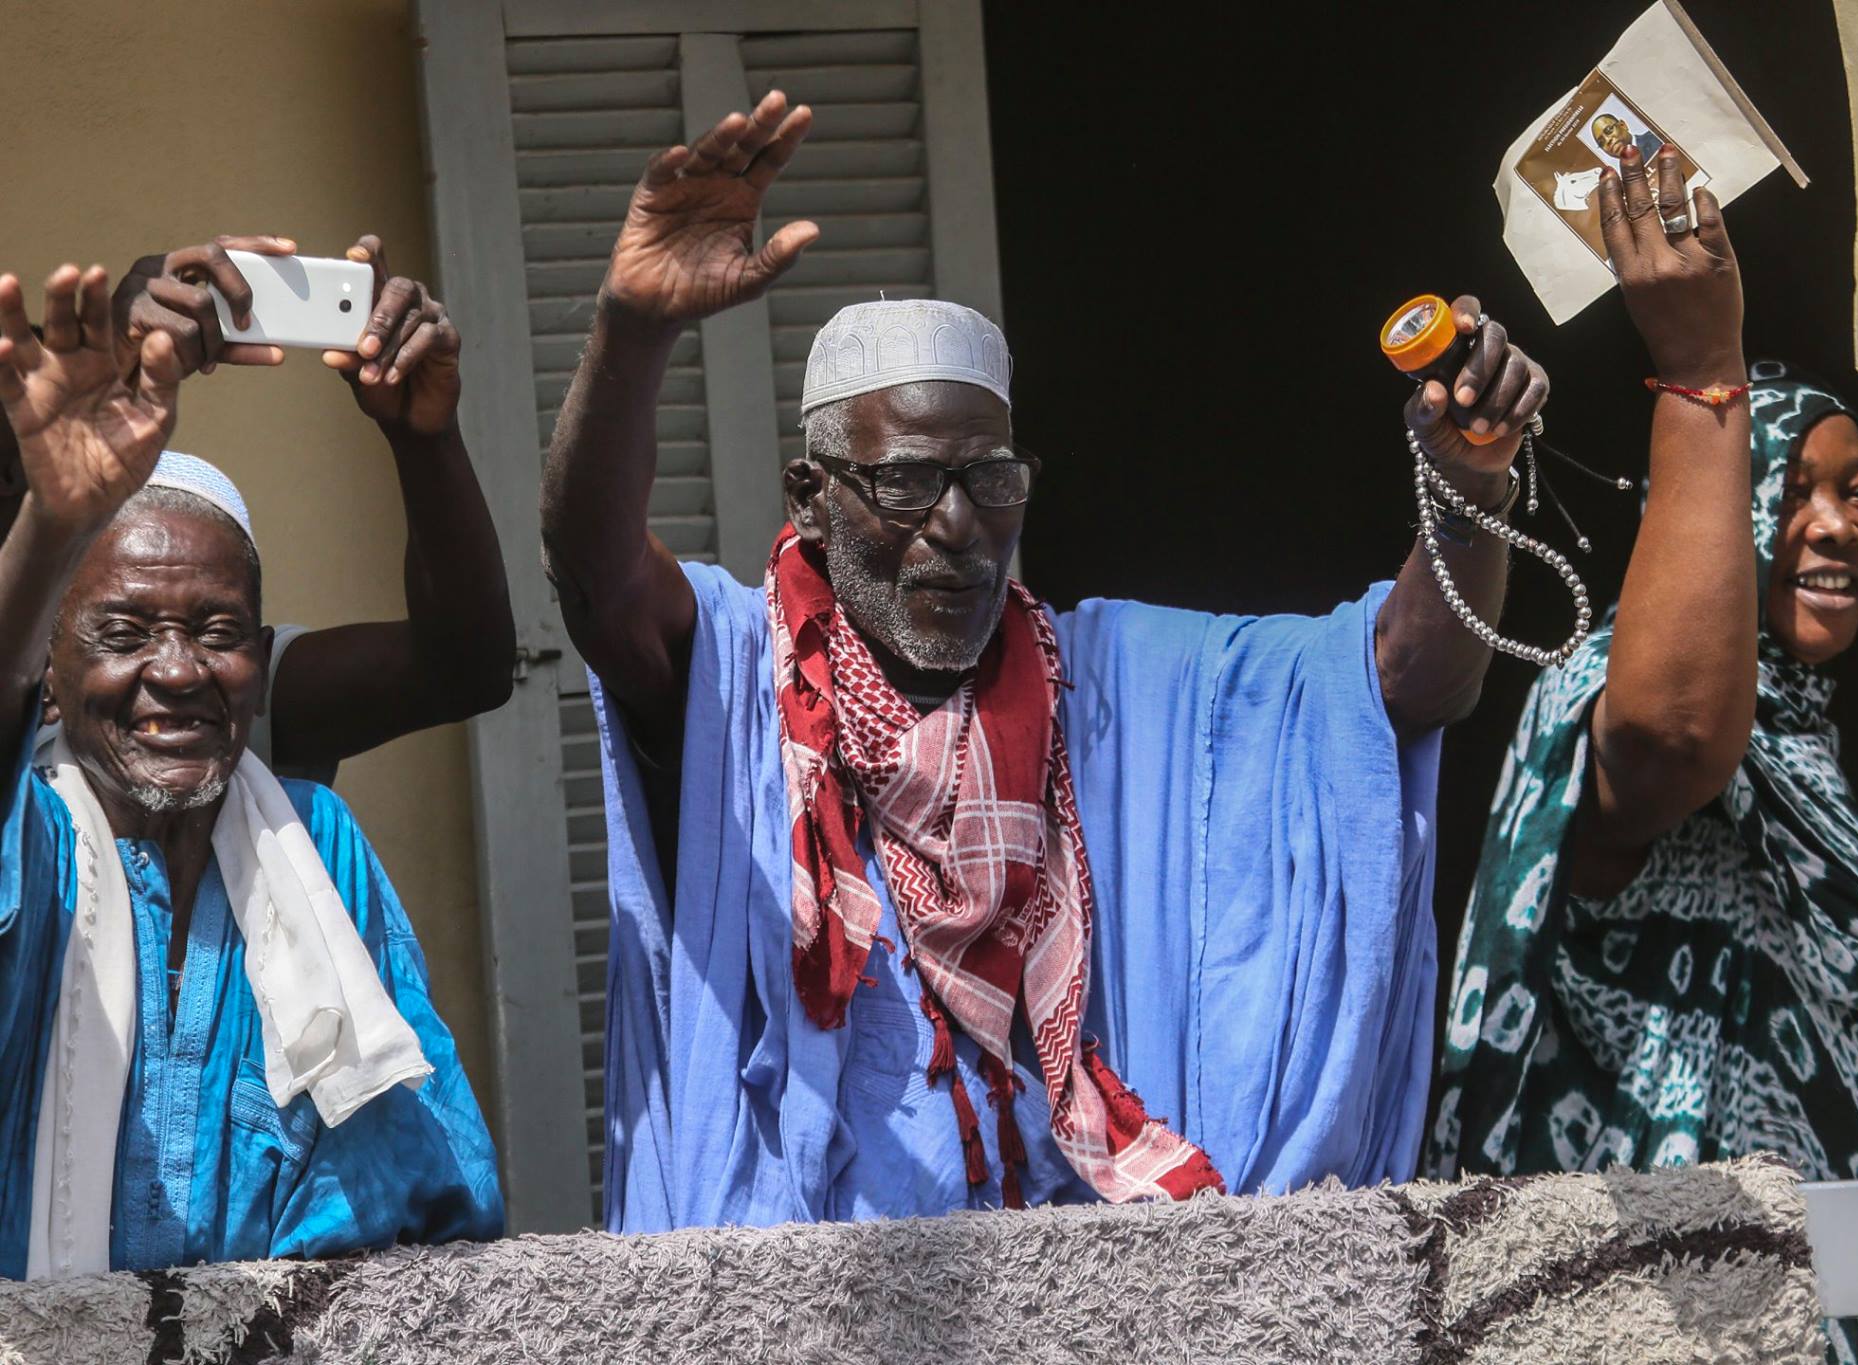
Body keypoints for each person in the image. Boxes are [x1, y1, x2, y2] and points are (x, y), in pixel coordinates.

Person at [541, 91, 1550, 1229]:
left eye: (989, 480)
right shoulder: (737, 678)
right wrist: (631, 330)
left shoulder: (1107, 686)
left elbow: (1412, 682)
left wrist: (1466, 488)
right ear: (810, 499)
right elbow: (597, 581)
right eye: (906, 481)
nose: (956, 523)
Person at [1430, 147, 1858, 1365]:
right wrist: (1699, 370)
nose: (1834, 526)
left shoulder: (1822, 796)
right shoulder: (1613, 694)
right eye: (1792, 491)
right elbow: (1672, 739)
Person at [0, 262, 502, 1278]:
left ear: (262, 667)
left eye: (217, 633)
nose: (178, 671)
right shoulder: (31, 844)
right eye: (126, 631)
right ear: (49, 673)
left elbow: (431, 1191)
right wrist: (53, 521)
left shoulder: (314, 845)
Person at [1, 233, 515, 783]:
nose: (176, 673)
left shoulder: (209, 686)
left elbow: (465, 670)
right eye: (34, 433)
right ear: (52, 678)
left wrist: (423, 439)